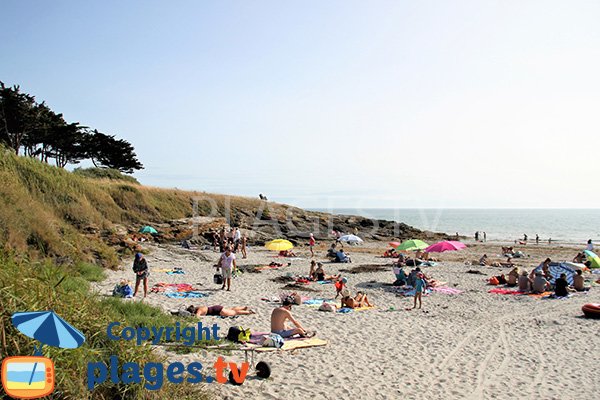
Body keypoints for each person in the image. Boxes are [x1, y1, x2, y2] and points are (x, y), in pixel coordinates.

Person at [188, 305, 255, 317]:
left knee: (234, 312)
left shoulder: (199, 310)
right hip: (216, 308)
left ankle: (249, 312)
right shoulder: (200, 307)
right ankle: (243, 308)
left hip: (217, 310)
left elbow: (197, 316)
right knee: (231, 310)